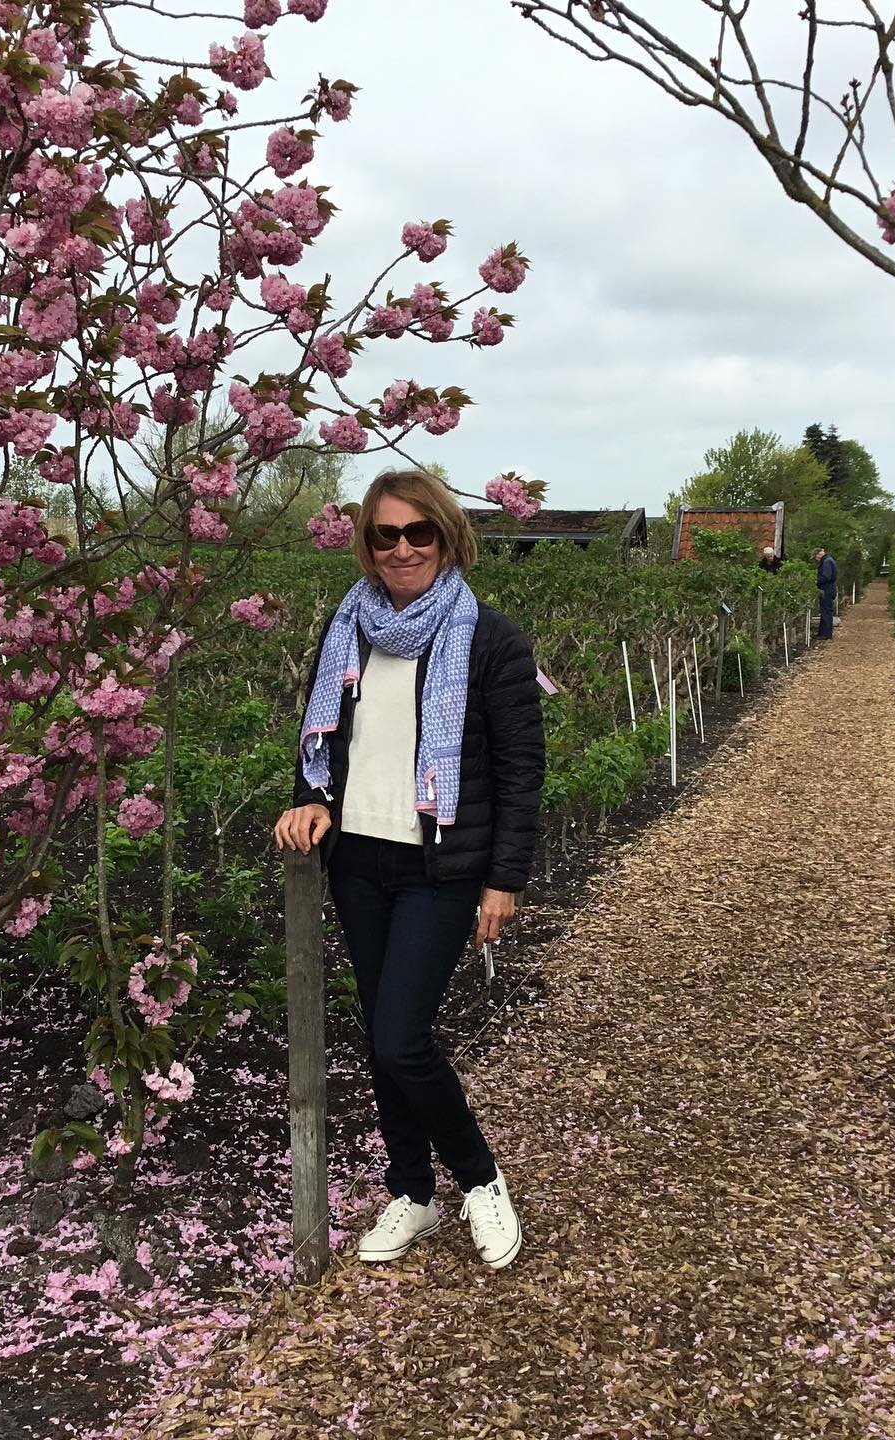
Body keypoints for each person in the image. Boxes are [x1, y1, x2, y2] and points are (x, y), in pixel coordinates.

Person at [274, 469, 544, 1271]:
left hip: (440, 868)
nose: (402, 549)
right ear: (367, 543)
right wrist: (309, 798)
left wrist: (505, 879)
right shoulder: (348, 626)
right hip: (359, 858)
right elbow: (321, 734)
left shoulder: (489, 637)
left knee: (400, 1039)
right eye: (385, 535)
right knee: (382, 1036)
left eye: (418, 532)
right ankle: (412, 1194)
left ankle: (479, 1178)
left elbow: (520, 770)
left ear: (448, 536)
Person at [814, 546, 837, 638]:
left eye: (816, 557)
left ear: (819, 554)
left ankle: (826, 634)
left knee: (826, 611)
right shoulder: (828, 560)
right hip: (828, 588)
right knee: (825, 611)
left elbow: (826, 576)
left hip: (827, 589)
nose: (816, 559)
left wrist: (816, 582)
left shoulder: (827, 562)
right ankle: (822, 633)